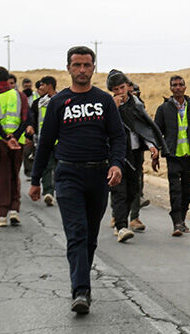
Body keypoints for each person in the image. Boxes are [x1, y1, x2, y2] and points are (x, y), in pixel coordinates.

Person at [29, 47, 125, 314]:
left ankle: (82, 280)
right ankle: (80, 291)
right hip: (68, 174)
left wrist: (116, 164)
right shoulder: (59, 102)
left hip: (98, 175)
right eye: (77, 65)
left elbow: (118, 137)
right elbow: (45, 143)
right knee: (77, 233)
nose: (82, 69)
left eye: (86, 65)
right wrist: (36, 179)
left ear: (93, 67)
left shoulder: (104, 101)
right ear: (69, 68)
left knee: (90, 238)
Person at [106, 71, 164, 242]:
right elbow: (103, 128)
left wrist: (152, 146)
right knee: (119, 190)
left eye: (122, 87)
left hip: (135, 154)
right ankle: (121, 226)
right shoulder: (108, 106)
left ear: (128, 87)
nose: (120, 92)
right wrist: (113, 109)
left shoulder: (137, 105)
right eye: (115, 89)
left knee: (133, 190)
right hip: (117, 154)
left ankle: (121, 217)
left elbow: (144, 128)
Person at [0, 66, 28, 227]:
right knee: (13, 175)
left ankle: (1, 215)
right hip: (18, 142)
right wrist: (14, 137)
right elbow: (25, 119)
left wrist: (5, 137)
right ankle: (14, 210)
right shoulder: (20, 96)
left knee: (0, 178)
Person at [154, 75, 190, 236]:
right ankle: (177, 223)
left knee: (188, 191)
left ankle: (183, 217)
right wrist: (156, 153)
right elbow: (157, 133)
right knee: (175, 189)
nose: (178, 87)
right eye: (175, 85)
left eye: (181, 84)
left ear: (185, 87)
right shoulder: (163, 109)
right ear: (170, 88)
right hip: (173, 155)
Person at [26, 76, 59, 205]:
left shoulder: (61, 101)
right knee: (46, 166)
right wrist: (29, 135)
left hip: (61, 141)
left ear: (49, 86)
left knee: (60, 167)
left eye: (42, 85)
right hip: (44, 141)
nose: (40, 88)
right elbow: (32, 120)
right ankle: (48, 192)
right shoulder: (37, 103)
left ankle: (60, 191)